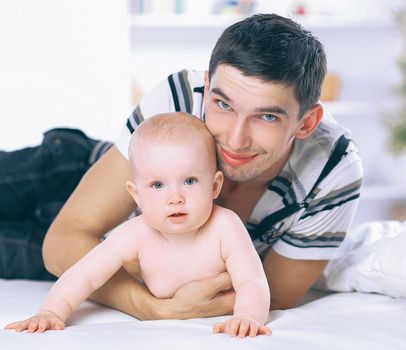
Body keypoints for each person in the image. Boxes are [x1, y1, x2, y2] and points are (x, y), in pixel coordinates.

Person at [2, 13, 363, 319]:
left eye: (267, 116)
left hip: (103, 254)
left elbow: (271, 294)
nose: (236, 140)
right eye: (223, 105)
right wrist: (151, 308)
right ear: (206, 89)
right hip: (69, 175)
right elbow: (66, 236)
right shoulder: (177, 97)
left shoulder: (333, 170)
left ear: (307, 122)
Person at [5, 113, 272, 337]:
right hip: (66, 170)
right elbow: (84, 274)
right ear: (136, 195)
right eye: (157, 185)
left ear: (215, 186)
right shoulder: (136, 233)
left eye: (190, 181)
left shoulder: (225, 227)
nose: (175, 198)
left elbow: (252, 281)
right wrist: (51, 312)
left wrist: (248, 317)